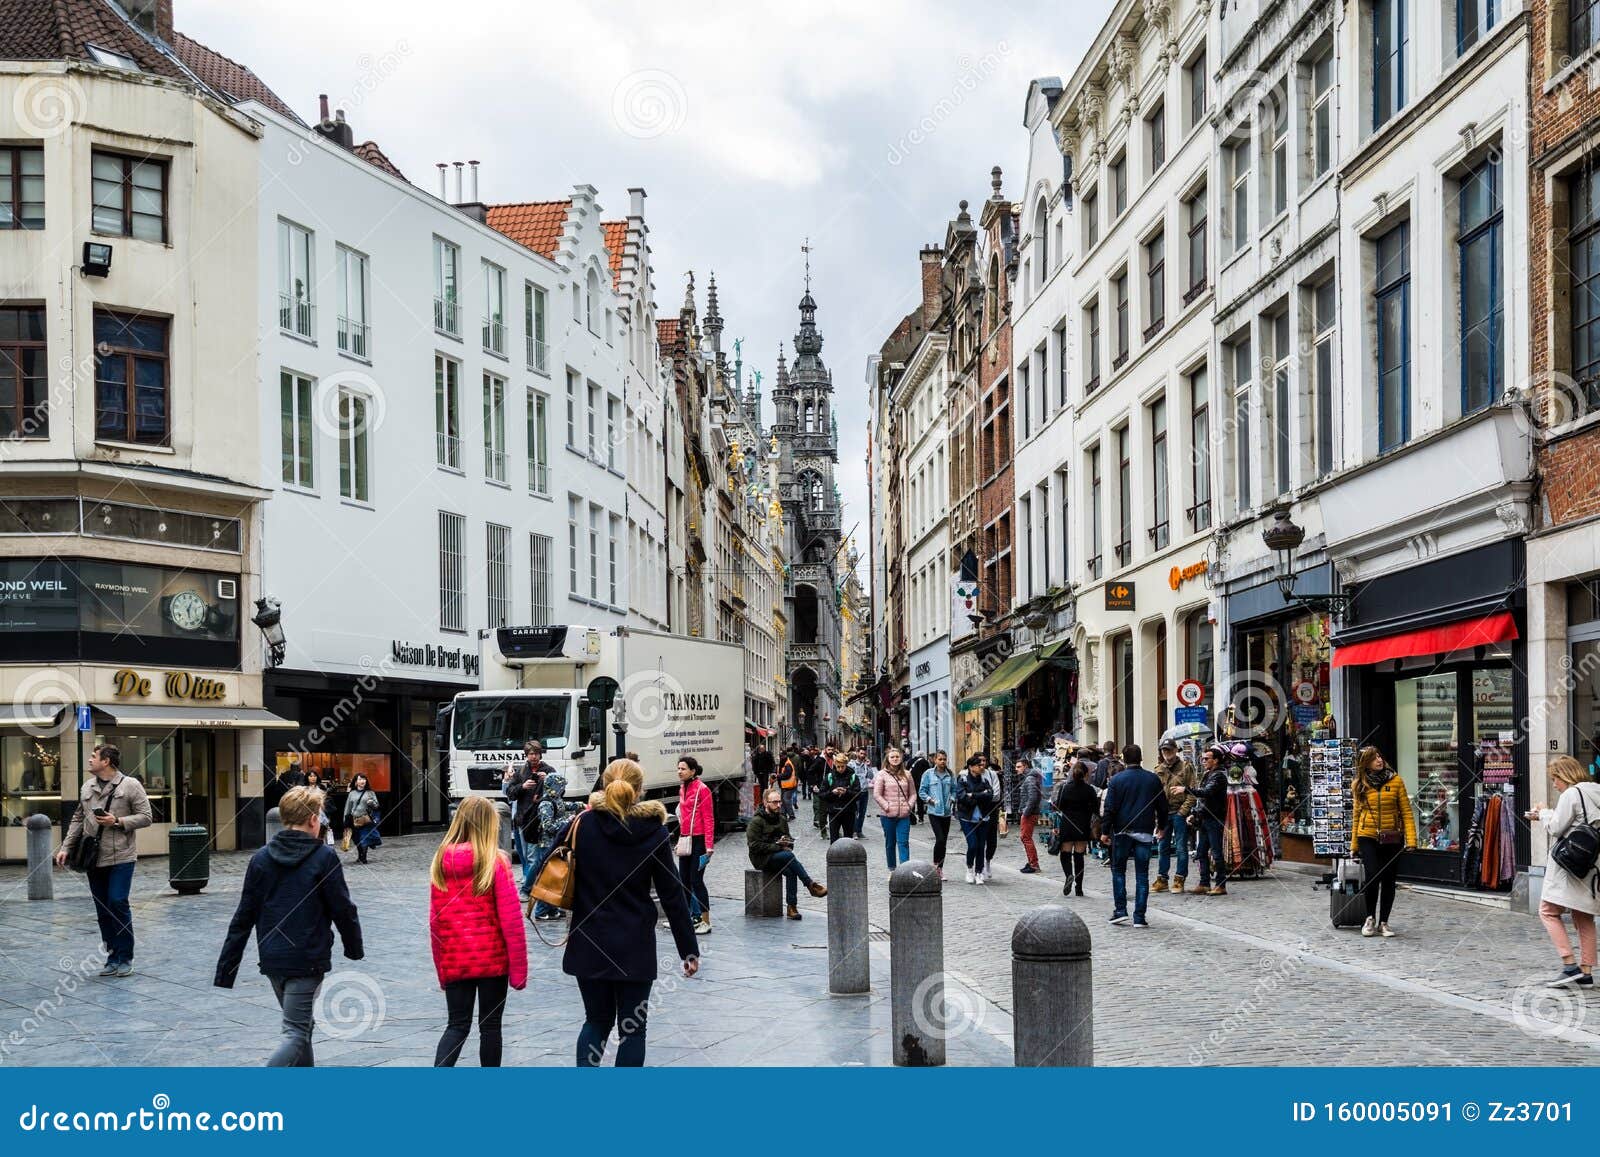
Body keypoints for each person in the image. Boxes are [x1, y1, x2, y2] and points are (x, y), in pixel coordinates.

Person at [213, 786, 363, 1066]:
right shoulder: (323, 858)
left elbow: (243, 917)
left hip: (273, 958)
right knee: (295, 1031)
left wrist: (226, 970)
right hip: (307, 958)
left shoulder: (260, 858)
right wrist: (353, 947)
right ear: (312, 820)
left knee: (302, 1027)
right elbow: (342, 908)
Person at [564, 759, 699, 1067]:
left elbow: (549, 862)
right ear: (639, 790)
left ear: (604, 785)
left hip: (589, 939)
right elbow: (673, 895)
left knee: (595, 1021)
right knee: (633, 1029)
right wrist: (688, 950)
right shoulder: (654, 832)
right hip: (634, 944)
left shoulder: (583, 824)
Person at [429, 796, 526, 1066]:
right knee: (490, 1026)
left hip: (455, 960)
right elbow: (512, 922)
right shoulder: (495, 863)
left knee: (456, 1025)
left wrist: (441, 969)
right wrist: (519, 970)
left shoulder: (441, 861)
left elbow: (435, 923)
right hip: (492, 962)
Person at [55, 743, 152, 977]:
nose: (89, 760)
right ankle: (113, 956)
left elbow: (146, 817)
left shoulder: (130, 785)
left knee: (117, 901)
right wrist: (66, 847)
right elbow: (78, 818)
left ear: (106, 761)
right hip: (93, 858)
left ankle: (126, 957)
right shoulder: (87, 786)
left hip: (122, 856)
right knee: (103, 909)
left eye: (93, 756)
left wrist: (117, 821)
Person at [1529, 756, 1600, 987]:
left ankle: (1569, 965)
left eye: (1554, 778)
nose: (1554, 784)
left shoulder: (1572, 794)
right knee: (1584, 915)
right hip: (1592, 865)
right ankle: (1586, 973)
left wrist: (1542, 814)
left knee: (1547, 910)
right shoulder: (1596, 790)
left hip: (1570, 864)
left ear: (1564, 775)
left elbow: (1555, 827)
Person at [1349, 745, 1416, 937]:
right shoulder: (1359, 785)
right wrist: (1353, 845)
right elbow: (1356, 816)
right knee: (1372, 875)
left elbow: (1406, 812)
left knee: (1388, 879)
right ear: (1365, 764)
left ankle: (1384, 922)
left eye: (1379, 756)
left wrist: (1411, 839)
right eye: (1373, 758)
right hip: (1367, 836)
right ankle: (1369, 918)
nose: (1379, 760)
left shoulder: (1395, 781)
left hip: (1391, 837)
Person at [1100, 744, 1168, 928]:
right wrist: (1162, 826)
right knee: (1142, 874)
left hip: (1122, 831)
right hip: (1144, 830)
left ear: (1123, 758)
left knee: (1119, 870)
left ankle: (1120, 910)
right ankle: (1139, 916)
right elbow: (1162, 805)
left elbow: (1110, 808)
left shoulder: (1116, 780)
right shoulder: (1152, 779)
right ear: (1140, 758)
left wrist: (1105, 831)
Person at [747, 788, 829, 919]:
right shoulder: (756, 821)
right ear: (765, 802)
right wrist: (777, 846)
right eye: (774, 802)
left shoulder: (781, 819)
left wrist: (788, 843)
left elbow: (789, 840)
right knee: (789, 857)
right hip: (761, 858)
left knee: (791, 871)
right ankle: (810, 885)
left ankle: (792, 907)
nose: (778, 805)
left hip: (779, 856)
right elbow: (753, 846)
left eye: (779, 802)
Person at [529, 771, 580, 921]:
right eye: (560, 786)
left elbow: (566, 806)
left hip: (556, 844)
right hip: (547, 845)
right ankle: (541, 910)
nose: (562, 789)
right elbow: (548, 826)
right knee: (547, 877)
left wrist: (583, 805)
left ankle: (552, 908)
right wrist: (567, 820)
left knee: (556, 878)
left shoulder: (556, 800)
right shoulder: (545, 804)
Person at [676, 756, 716, 935]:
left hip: (699, 840)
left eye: (683, 768)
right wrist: (679, 839)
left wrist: (709, 846)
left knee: (696, 881)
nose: (679, 771)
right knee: (683, 880)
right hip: (686, 838)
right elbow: (683, 817)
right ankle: (687, 920)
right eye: (678, 768)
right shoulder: (682, 788)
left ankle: (706, 921)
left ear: (693, 771)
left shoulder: (703, 789)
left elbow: (708, 818)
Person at [1152, 739, 1198, 894]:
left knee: (1180, 848)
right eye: (1164, 751)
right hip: (1164, 814)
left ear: (1176, 750)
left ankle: (1179, 879)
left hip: (1179, 812)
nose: (1167, 754)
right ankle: (1162, 879)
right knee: (1162, 847)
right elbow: (1155, 795)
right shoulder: (1158, 769)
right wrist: (1157, 815)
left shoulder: (1186, 768)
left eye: (1169, 750)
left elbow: (1192, 793)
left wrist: (1182, 812)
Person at [1052, 759, 1099, 897]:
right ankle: (1079, 888)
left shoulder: (1066, 788)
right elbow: (1095, 809)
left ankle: (1068, 875)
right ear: (1085, 774)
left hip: (1067, 824)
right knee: (1079, 856)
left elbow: (1059, 806)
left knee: (1065, 854)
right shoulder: (1089, 790)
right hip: (1083, 825)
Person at [1188, 745, 1231, 895]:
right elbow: (1204, 802)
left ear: (1216, 760)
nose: (1203, 761)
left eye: (1207, 758)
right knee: (1201, 852)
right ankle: (1204, 882)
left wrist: (1186, 789)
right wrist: (1195, 813)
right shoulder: (1208, 774)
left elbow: (1206, 793)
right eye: (1203, 758)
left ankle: (1221, 884)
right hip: (1206, 818)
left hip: (1214, 819)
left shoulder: (1219, 776)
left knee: (1216, 852)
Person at [504, 741, 546, 892]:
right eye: (530, 754)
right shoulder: (521, 772)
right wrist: (522, 787)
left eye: (536, 753)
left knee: (535, 856)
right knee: (526, 856)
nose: (533, 757)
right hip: (523, 819)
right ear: (526, 755)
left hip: (541, 819)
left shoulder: (548, 770)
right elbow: (509, 793)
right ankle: (530, 885)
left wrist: (547, 780)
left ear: (540, 754)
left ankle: (528, 889)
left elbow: (560, 791)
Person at [955, 755, 997, 884]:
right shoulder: (963, 780)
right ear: (971, 767)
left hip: (983, 817)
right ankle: (969, 868)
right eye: (979, 765)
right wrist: (981, 795)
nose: (982, 767)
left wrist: (973, 794)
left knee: (980, 846)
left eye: (982, 764)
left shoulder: (984, 780)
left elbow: (990, 795)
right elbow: (962, 798)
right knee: (972, 845)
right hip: (967, 817)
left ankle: (979, 872)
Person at [872, 747, 916, 870]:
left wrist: (909, 806)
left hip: (904, 815)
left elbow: (913, 793)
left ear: (901, 758)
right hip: (888, 816)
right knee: (890, 844)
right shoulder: (882, 774)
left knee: (904, 843)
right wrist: (887, 806)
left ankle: (905, 870)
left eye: (897, 757)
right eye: (892, 757)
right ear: (888, 759)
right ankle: (892, 869)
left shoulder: (907, 774)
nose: (895, 759)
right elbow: (877, 794)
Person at [919, 750, 956, 880]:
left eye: (944, 759)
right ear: (935, 760)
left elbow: (954, 790)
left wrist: (952, 798)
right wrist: (930, 800)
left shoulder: (950, 774)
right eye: (940, 759)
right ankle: (935, 865)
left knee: (943, 842)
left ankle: (940, 869)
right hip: (934, 811)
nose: (942, 761)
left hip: (946, 812)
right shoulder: (928, 774)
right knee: (939, 838)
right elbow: (922, 791)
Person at [823, 751, 861, 842]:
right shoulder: (829, 776)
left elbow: (858, 794)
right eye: (838, 766)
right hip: (834, 811)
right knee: (834, 838)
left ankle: (848, 856)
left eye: (842, 766)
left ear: (846, 765)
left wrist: (846, 792)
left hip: (848, 811)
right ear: (835, 765)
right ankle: (833, 856)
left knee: (848, 839)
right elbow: (822, 794)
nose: (840, 769)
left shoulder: (853, 776)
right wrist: (832, 792)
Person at [344, 773, 381, 864]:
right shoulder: (352, 793)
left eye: (364, 779)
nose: (362, 781)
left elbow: (377, 806)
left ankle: (363, 858)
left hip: (366, 820)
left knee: (364, 838)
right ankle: (360, 855)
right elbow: (347, 807)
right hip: (355, 820)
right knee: (356, 839)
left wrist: (372, 803)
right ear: (356, 782)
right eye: (360, 779)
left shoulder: (370, 793)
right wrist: (345, 820)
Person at [1015, 758, 1044, 873]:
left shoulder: (1030, 779)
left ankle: (1034, 864)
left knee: (1026, 838)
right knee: (1026, 837)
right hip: (1030, 812)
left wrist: (1025, 812)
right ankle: (1031, 861)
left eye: (1019, 767)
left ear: (1025, 766)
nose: (1016, 769)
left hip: (1030, 813)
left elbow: (1033, 798)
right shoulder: (1029, 778)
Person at [984, 756, 1004, 869]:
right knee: (978, 841)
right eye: (979, 761)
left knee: (992, 840)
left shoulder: (992, 774)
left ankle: (987, 860)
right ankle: (978, 865)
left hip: (992, 810)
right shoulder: (969, 776)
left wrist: (980, 796)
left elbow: (996, 795)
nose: (982, 763)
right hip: (976, 812)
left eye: (984, 760)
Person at [851, 748, 874, 839]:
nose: (863, 755)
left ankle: (859, 831)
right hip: (855, 792)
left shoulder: (865, 765)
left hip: (864, 791)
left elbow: (871, 776)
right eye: (861, 753)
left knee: (862, 812)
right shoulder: (851, 765)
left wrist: (869, 766)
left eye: (864, 754)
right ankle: (854, 831)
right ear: (857, 753)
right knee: (855, 812)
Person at [778, 748, 800, 819]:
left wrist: (778, 776)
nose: (780, 757)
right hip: (785, 785)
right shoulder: (785, 762)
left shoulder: (787, 764)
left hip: (788, 785)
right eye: (780, 755)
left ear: (785, 755)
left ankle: (791, 814)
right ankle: (783, 813)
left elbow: (787, 775)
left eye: (781, 756)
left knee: (786, 799)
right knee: (783, 799)